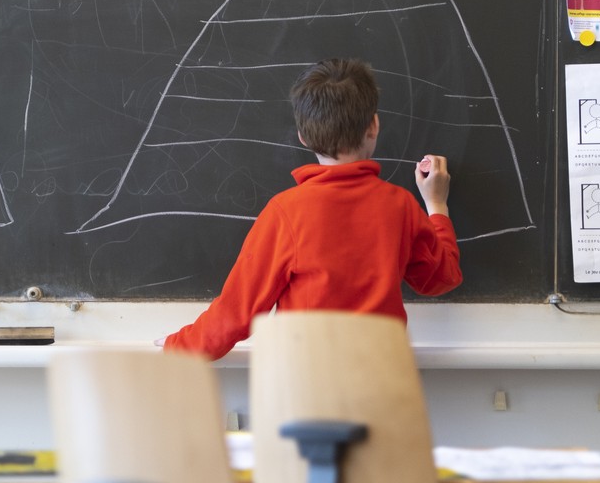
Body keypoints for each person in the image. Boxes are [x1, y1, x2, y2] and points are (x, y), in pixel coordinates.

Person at [160, 58, 462, 360]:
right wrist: (436, 203)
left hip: (307, 394)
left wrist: (176, 346)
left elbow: (237, 314)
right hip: (383, 393)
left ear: (303, 136)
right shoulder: (401, 206)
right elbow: (441, 278)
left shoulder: (286, 212)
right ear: (374, 125)